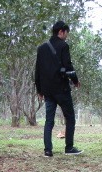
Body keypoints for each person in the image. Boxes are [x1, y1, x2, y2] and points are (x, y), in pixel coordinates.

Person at [35, 20, 82, 157]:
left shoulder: (41, 48)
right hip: (61, 89)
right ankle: (69, 148)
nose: (66, 36)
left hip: (47, 91)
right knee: (70, 118)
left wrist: (39, 90)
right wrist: (75, 80)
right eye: (66, 33)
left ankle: (48, 150)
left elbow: (37, 70)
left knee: (49, 120)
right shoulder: (63, 46)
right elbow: (68, 66)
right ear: (61, 31)